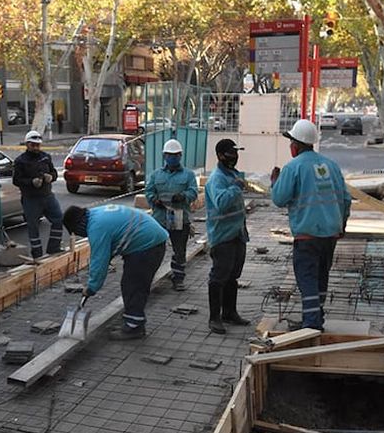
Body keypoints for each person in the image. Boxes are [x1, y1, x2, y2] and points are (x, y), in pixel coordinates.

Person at [270, 119, 350, 332]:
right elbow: (346, 199)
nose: (290, 146)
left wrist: (275, 182)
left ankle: (312, 324)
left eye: (291, 142)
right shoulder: (331, 166)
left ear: (296, 145)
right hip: (330, 234)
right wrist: (341, 225)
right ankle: (316, 316)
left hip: (307, 235)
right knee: (321, 277)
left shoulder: (293, 167)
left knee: (307, 279)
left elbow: (279, 198)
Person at [63, 204, 168, 340]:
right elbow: (110, 246)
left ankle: (134, 327)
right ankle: (132, 321)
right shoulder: (95, 214)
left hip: (147, 245)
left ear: (78, 226)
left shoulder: (96, 227)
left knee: (133, 286)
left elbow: (99, 260)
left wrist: (92, 287)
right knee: (133, 284)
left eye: (77, 232)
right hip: (150, 240)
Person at [205, 138, 250, 334]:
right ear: (220, 156)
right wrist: (236, 187)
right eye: (231, 153)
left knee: (233, 276)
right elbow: (222, 203)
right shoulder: (217, 178)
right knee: (219, 277)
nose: (235, 156)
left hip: (237, 234)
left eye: (236, 152)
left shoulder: (232, 174)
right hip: (222, 236)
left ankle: (230, 312)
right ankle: (214, 318)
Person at [145, 138, 199, 291]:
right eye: (169, 155)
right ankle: (148, 277)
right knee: (155, 249)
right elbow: (149, 191)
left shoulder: (188, 175)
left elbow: (193, 192)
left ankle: (178, 277)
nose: (173, 158)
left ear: (180, 155)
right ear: (164, 156)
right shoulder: (156, 175)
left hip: (179, 217)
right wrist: (154, 200)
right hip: (160, 217)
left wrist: (183, 196)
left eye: (175, 155)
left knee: (179, 250)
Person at [13, 130, 64, 259]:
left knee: (58, 219)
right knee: (33, 227)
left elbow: (54, 173)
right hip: (31, 199)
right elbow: (16, 180)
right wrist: (31, 182)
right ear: (27, 144)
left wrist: (51, 177)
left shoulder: (45, 157)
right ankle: (37, 255)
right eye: (33, 145)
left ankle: (54, 248)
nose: (36, 148)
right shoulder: (20, 161)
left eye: (38, 145)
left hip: (47, 196)